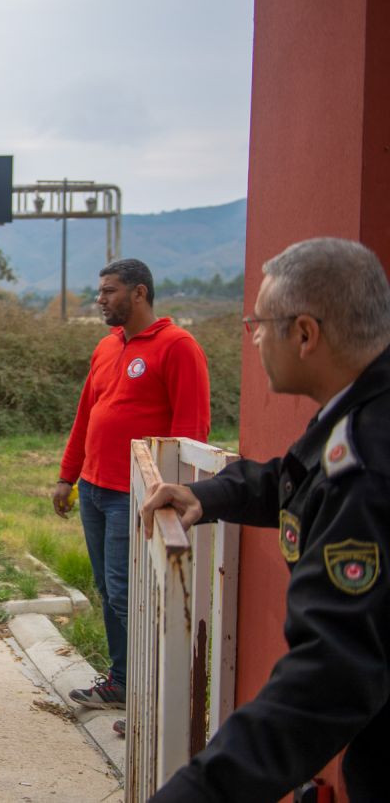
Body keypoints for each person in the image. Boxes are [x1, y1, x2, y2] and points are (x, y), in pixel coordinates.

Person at [143, 238, 390, 802]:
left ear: (305, 334)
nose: (252, 335)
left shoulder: (368, 465)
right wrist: (207, 495)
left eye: (259, 321)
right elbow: (294, 477)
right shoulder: (360, 415)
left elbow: (330, 677)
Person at [51, 258, 210, 711]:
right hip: (95, 490)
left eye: (109, 291)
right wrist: (67, 475)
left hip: (136, 496)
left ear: (139, 293)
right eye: (100, 292)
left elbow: (190, 431)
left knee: (128, 593)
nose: (99, 299)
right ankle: (123, 683)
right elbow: (87, 414)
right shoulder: (106, 347)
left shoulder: (178, 346)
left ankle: (153, 696)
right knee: (109, 589)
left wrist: (174, 494)